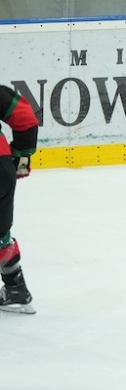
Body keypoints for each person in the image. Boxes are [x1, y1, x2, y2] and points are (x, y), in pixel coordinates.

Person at [0, 84, 39, 314]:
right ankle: (16, 289)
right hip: (2, 169)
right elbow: (25, 116)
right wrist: (21, 155)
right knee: (1, 234)